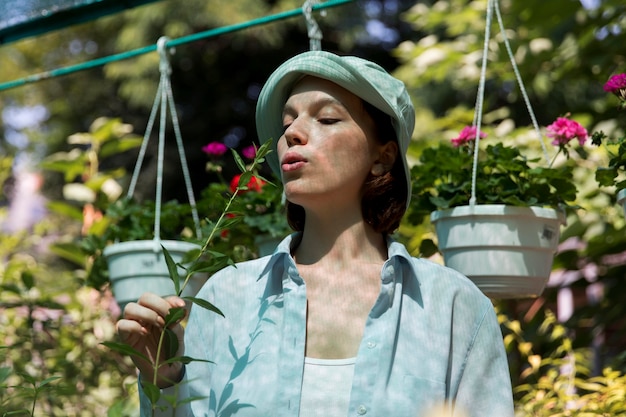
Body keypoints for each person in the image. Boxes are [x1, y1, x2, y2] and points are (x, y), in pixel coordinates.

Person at [117, 50, 515, 417]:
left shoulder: (452, 306)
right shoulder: (226, 297)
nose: (292, 133)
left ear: (383, 157)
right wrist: (163, 381)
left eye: (326, 118)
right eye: (288, 122)